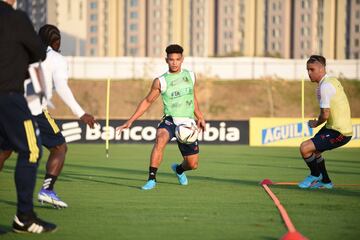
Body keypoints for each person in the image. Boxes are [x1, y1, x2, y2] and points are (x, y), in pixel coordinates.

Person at [0, 24, 97, 208]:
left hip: (9, 106)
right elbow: (61, 87)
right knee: (59, 147)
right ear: (56, 41)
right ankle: (47, 190)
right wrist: (81, 113)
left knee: (5, 150)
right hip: (34, 110)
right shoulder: (56, 58)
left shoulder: (22, 51)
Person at [0, 0, 56, 233]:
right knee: (32, 149)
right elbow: (39, 51)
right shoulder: (15, 18)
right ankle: (24, 216)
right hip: (7, 96)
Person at [116, 44, 206, 190]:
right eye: (171, 59)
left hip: (188, 124)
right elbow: (147, 101)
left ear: (182, 59)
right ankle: (152, 178)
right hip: (170, 120)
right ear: (166, 60)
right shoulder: (161, 81)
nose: (174, 62)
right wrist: (130, 121)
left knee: (192, 164)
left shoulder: (190, 75)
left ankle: (179, 170)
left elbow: (192, 97)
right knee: (160, 138)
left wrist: (200, 117)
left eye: (177, 59)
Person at [298, 55, 353, 189]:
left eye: (312, 69)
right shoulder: (330, 81)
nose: (309, 73)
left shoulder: (325, 86)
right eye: (307, 70)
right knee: (315, 152)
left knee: (305, 148)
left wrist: (316, 124)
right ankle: (326, 182)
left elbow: (325, 113)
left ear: (322, 69)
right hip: (332, 127)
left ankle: (315, 174)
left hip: (340, 132)